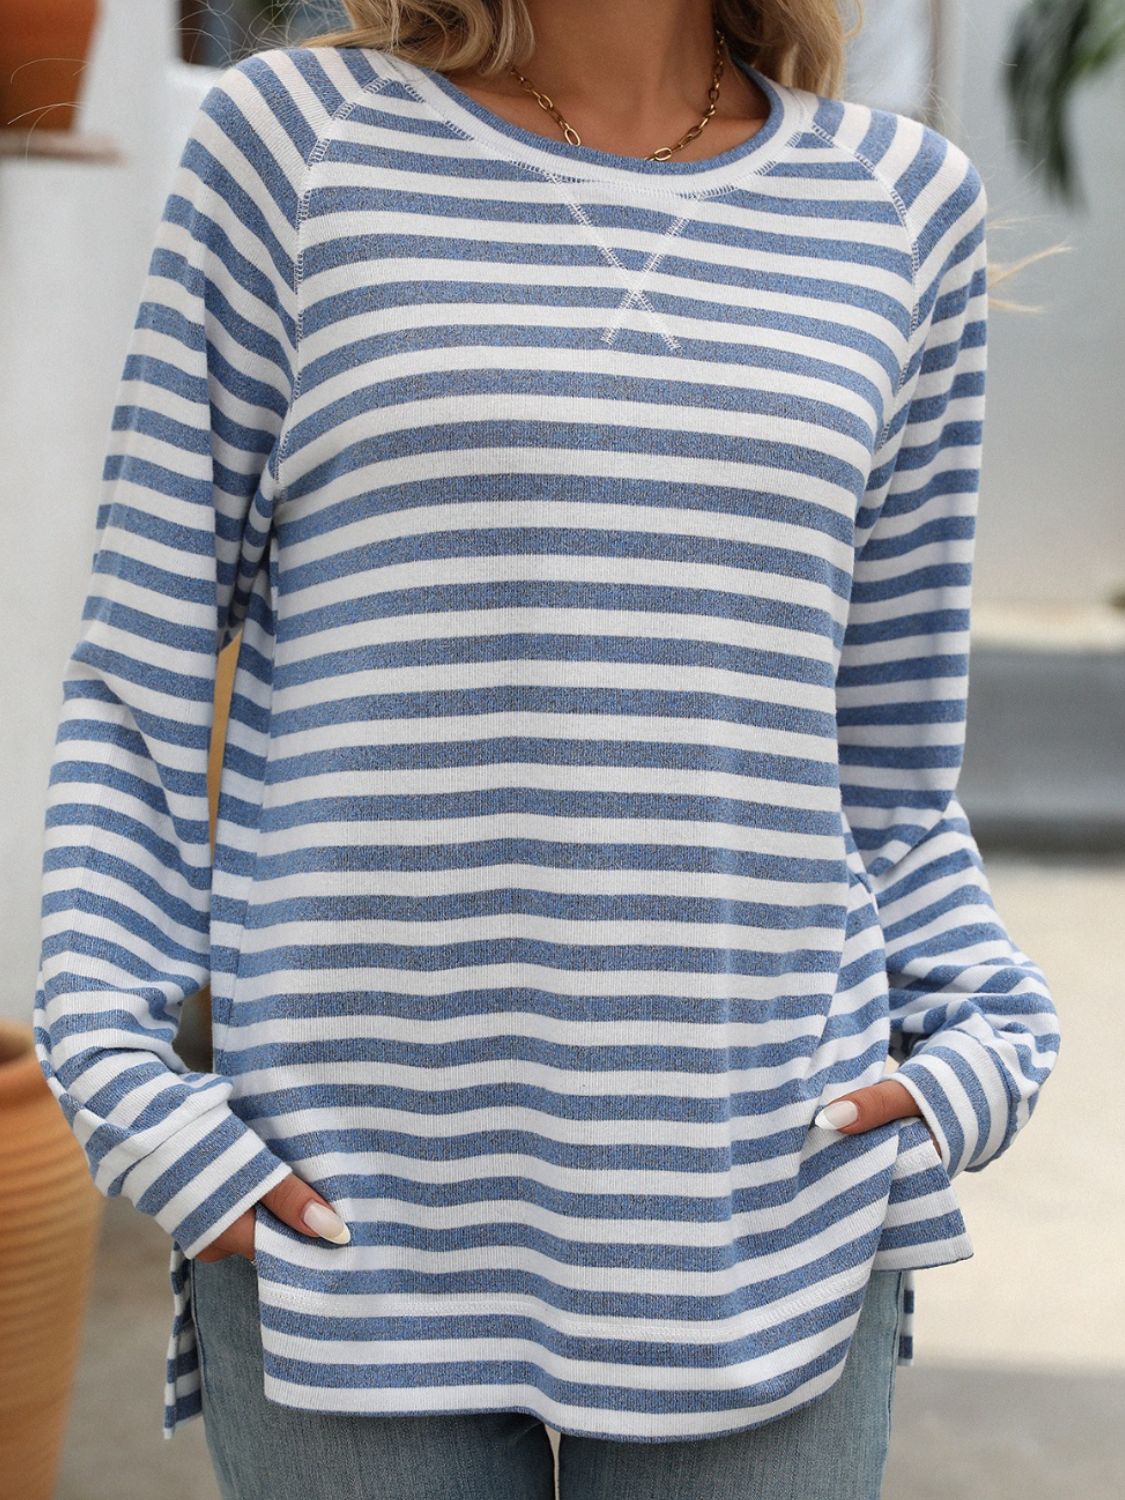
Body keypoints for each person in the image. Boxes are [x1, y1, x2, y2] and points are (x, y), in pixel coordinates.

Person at [31, 1, 1061, 1495]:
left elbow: (887, 766)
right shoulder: (294, 150)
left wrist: (989, 1029)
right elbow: (140, 675)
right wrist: (120, 1073)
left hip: (767, 1199)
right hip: (337, 1203)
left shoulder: (901, 207)